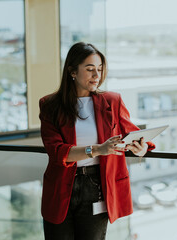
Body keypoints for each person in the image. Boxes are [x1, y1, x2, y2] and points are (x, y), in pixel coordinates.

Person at [39, 42, 155, 240]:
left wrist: (141, 147)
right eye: (90, 69)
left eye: (100, 69)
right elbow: (57, 152)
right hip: (61, 187)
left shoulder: (112, 101)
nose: (96, 76)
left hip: (97, 186)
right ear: (72, 71)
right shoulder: (50, 105)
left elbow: (134, 134)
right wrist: (98, 149)